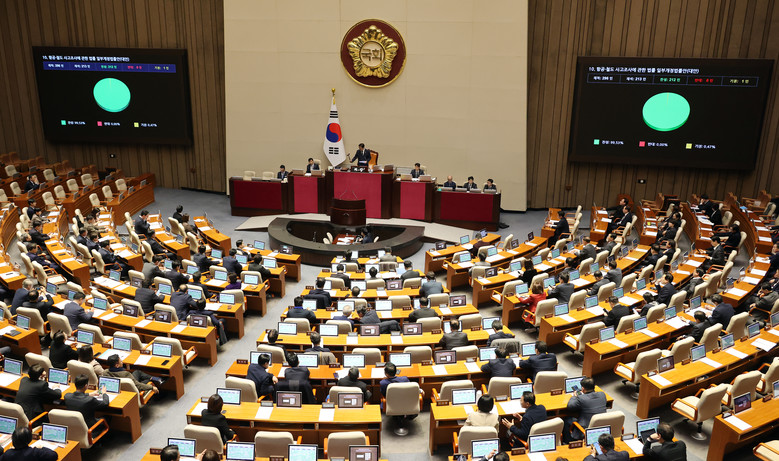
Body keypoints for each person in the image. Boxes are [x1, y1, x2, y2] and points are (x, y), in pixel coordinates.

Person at [564, 377, 608, 442]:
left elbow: (570, 406)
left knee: (567, 419)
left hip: (585, 429)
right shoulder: (602, 394)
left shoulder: (581, 398)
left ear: (583, 388)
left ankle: (568, 441)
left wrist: (574, 396)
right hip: (601, 427)